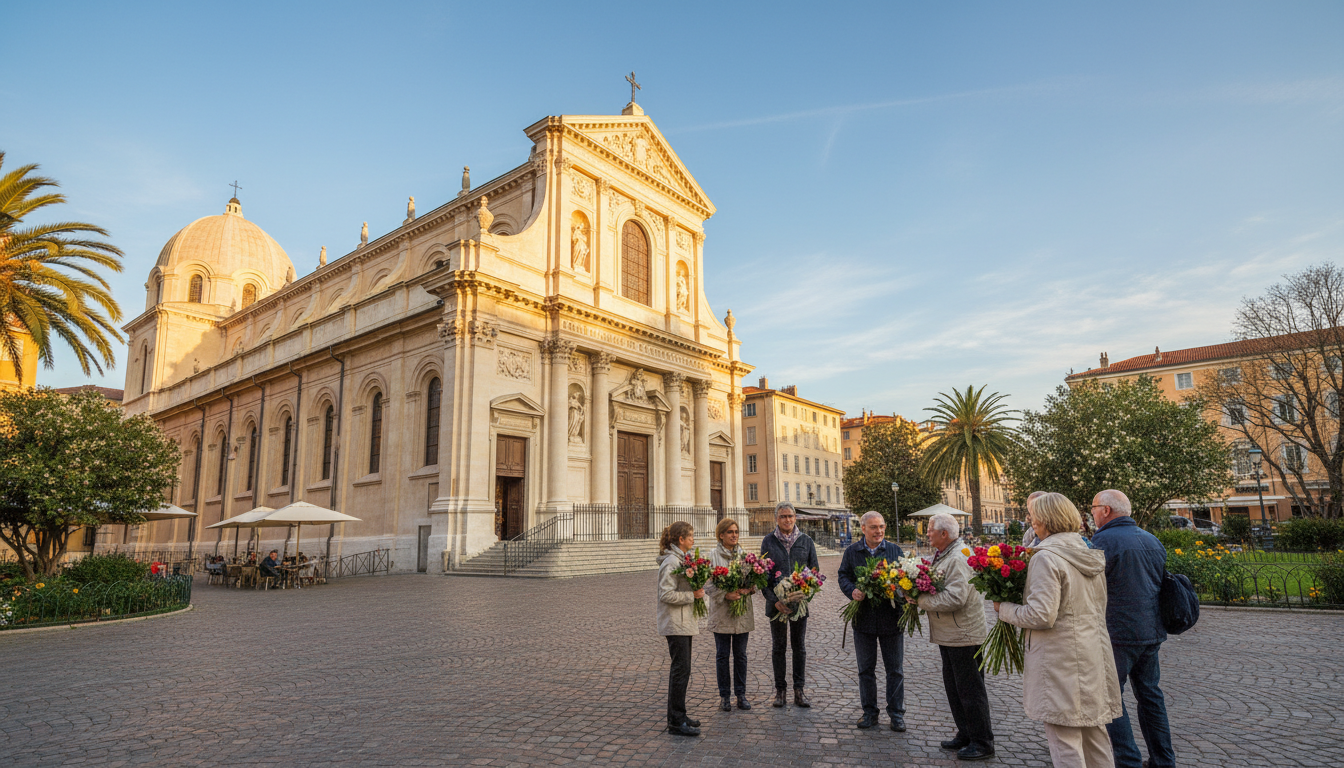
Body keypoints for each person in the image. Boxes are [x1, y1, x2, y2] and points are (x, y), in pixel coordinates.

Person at [994, 493, 1122, 768]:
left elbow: (1041, 614)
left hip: (1060, 660)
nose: (1031, 522)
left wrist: (1003, 608)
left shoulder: (1046, 557)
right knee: (1094, 735)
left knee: (1065, 740)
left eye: (1033, 517)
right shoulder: (1086, 551)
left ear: (1043, 520)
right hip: (1091, 653)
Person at [1089, 489, 1175, 768]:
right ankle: (1164, 760)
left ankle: (1128, 761)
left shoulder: (1102, 541)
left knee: (1110, 697)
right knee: (1150, 696)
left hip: (1118, 633)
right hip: (1151, 631)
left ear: (1106, 510)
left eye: (1093, 508)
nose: (1092, 513)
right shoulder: (1151, 539)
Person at [914, 512, 994, 761]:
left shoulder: (959, 557)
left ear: (944, 533)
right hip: (951, 633)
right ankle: (966, 732)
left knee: (970, 690)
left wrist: (920, 599)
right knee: (956, 688)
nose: (927, 533)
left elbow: (955, 598)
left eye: (930, 529)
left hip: (964, 634)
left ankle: (982, 742)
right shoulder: (946, 554)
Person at [837, 511, 907, 732]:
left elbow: (905, 577)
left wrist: (900, 591)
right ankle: (869, 713)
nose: (879, 531)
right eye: (874, 527)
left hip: (891, 619)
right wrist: (852, 590)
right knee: (865, 670)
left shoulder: (894, 550)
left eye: (882, 526)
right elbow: (843, 575)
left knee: (895, 670)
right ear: (863, 529)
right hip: (863, 619)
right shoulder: (852, 551)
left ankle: (896, 714)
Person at [760, 501, 820, 708]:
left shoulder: (806, 541)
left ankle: (799, 690)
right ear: (777, 519)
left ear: (795, 518)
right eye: (783, 516)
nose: (787, 520)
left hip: (799, 605)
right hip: (776, 605)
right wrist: (774, 601)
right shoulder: (768, 541)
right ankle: (780, 691)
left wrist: (805, 594)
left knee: (799, 647)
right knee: (778, 647)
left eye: (790, 516)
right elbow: (763, 576)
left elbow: (814, 572)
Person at [657, 521, 704, 737]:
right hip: (676, 623)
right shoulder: (671, 562)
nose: (693, 539)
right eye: (690, 536)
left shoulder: (683, 559)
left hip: (684, 622)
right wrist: (691, 596)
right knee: (680, 671)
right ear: (681, 539)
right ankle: (676, 721)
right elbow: (665, 594)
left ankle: (680, 715)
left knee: (683, 670)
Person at [705, 518, 756, 712]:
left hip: (742, 612)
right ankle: (724, 696)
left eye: (736, 532)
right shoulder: (712, 556)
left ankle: (741, 695)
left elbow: (756, 580)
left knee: (741, 655)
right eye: (730, 532)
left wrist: (749, 589)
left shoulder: (745, 555)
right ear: (721, 535)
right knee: (722, 655)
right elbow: (707, 583)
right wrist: (725, 594)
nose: (734, 535)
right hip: (722, 613)